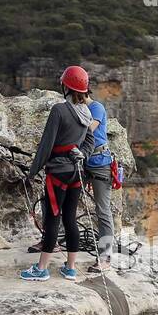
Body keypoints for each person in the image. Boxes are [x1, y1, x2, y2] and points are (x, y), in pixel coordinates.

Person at [21, 66, 95, 283]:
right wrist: (82, 153)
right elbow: (90, 140)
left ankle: (42, 268)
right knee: (70, 218)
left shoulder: (59, 110)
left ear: (66, 86)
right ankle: (70, 268)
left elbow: (46, 144)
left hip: (58, 173)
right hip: (76, 172)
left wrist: (32, 172)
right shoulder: (87, 112)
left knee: (52, 218)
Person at [84, 97, 116, 273]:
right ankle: (54, 240)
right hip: (82, 161)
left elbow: (89, 130)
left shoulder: (97, 107)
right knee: (62, 199)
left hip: (99, 163)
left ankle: (105, 257)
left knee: (102, 210)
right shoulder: (76, 108)